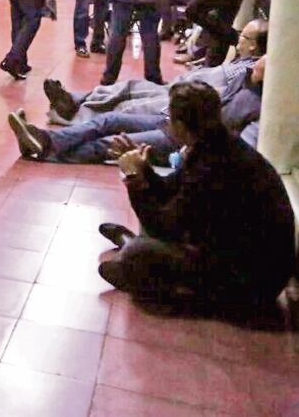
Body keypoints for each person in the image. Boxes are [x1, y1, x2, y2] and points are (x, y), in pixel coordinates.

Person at [97, 82, 294, 312]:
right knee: (155, 213)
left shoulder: (214, 165)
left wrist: (134, 179)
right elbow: (171, 189)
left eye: (170, 119)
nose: (167, 124)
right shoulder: (212, 143)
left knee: (139, 254)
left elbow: (164, 227)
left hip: (251, 284)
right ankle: (131, 247)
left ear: (181, 125)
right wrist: (144, 170)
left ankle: (131, 257)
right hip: (227, 249)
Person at [7, 55, 267, 165]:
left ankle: (45, 149)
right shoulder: (242, 79)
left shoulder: (258, 108)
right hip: (172, 119)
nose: (259, 61)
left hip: (183, 139)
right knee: (110, 119)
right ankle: (47, 139)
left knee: (109, 143)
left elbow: (240, 149)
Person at [44, 18, 268, 124]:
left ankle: (75, 115)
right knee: (131, 86)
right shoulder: (242, 60)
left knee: (132, 106)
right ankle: (74, 99)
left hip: (187, 97)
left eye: (244, 37)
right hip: (181, 85)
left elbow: (217, 91)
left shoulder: (249, 72)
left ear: (254, 46)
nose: (238, 39)